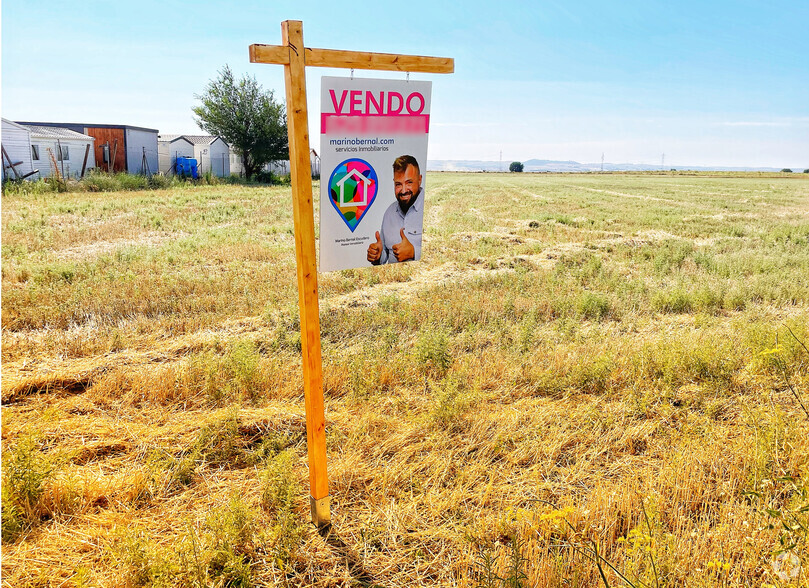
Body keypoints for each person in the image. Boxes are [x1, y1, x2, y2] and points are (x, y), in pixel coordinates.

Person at [367, 155, 423, 265]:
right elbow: (384, 255)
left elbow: (441, 254)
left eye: (409, 182)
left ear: (420, 179)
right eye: (398, 184)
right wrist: (377, 255)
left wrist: (414, 252)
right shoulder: (389, 213)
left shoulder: (431, 208)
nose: (403, 191)